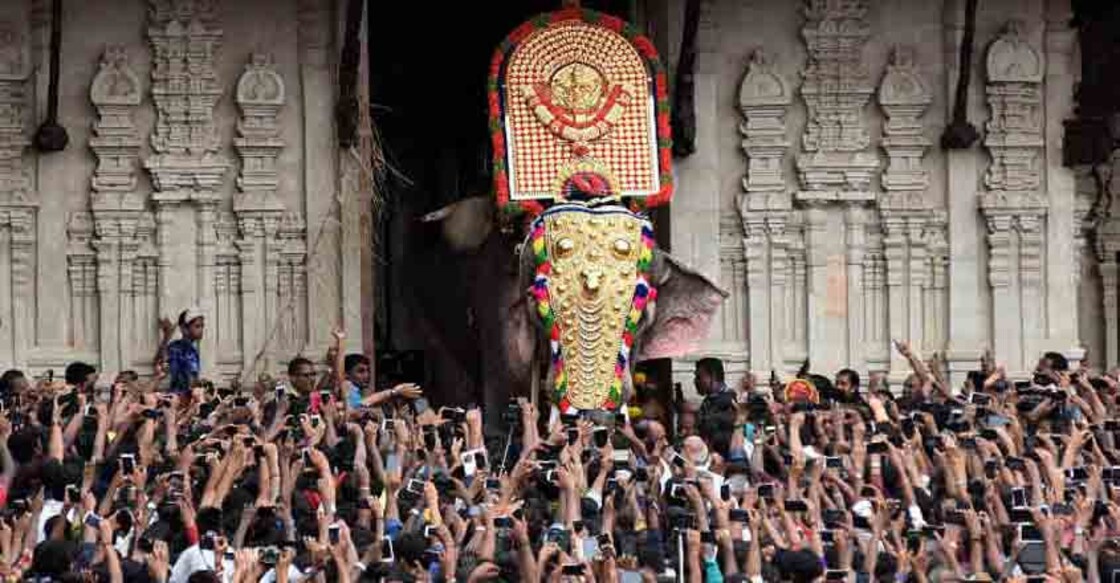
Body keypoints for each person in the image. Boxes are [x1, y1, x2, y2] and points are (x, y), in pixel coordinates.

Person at [157, 308, 205, 394]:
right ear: (184, 329)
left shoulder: (190, 350)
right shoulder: (179, 349)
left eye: (202, 326)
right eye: (197, 326)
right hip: (180, 396)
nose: (201, 330)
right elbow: (164, 366)